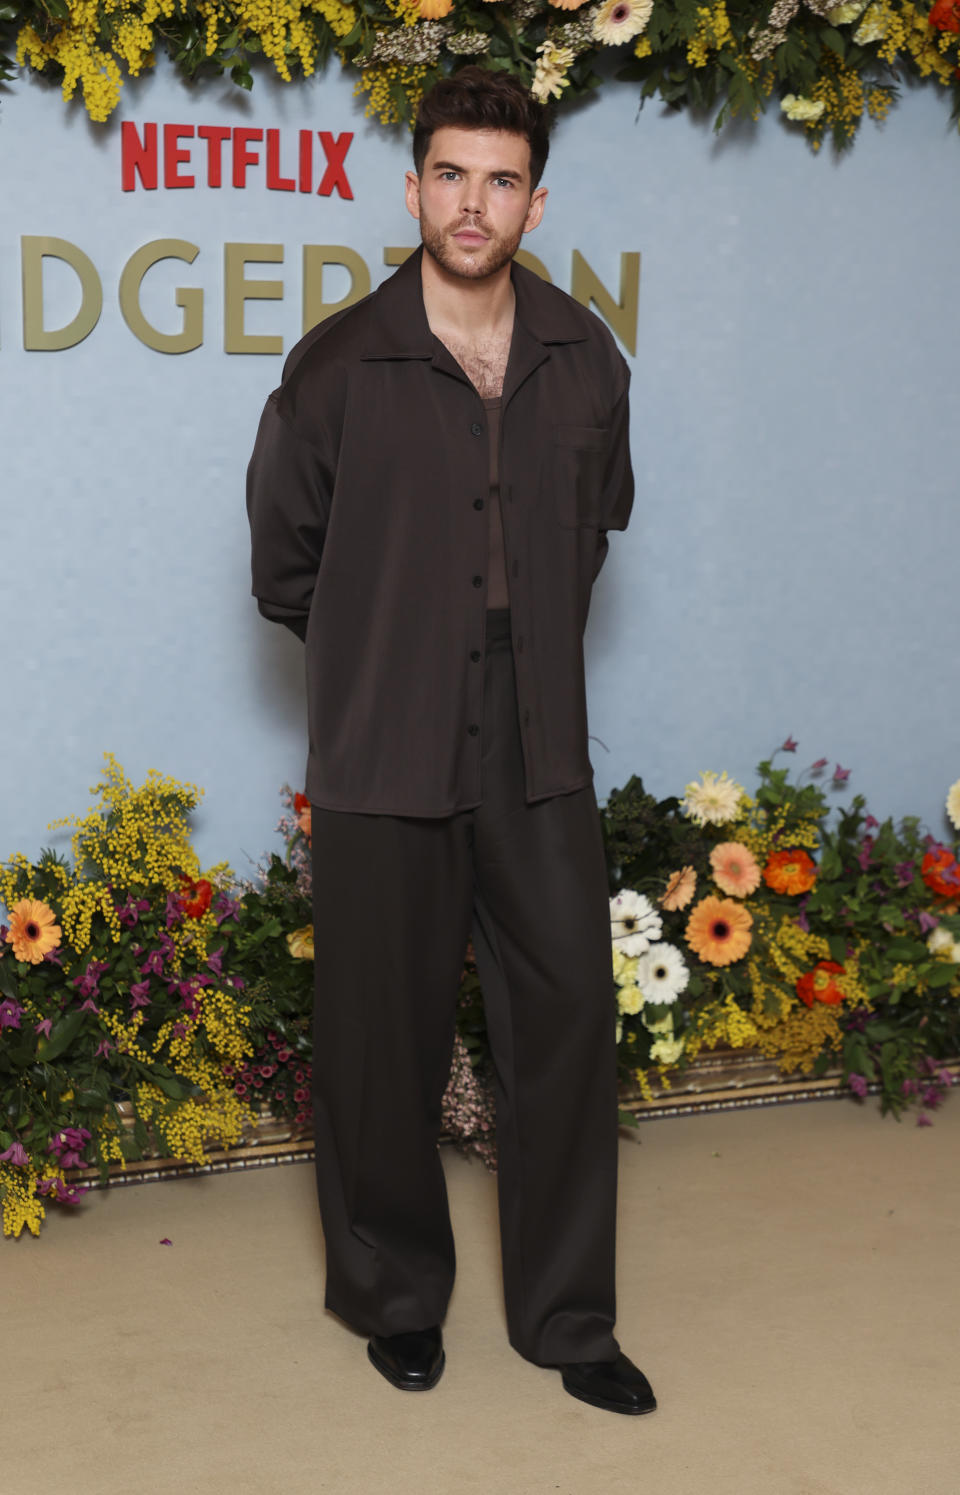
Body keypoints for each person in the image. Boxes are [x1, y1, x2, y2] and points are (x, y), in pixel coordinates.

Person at [246, 65, 655, 1416]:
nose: (471, 203)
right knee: (380, 1035)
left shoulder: (584, 356)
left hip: (540, 732)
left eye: (499, 180)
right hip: (382, 733)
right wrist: (387, 656)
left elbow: (593, 529)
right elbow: (286, 568)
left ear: (536, 203)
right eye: (448, 174)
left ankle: (567, 1318)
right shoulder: (336, 369)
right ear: (411, 186)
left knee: (565, 1026)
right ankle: (393, 1296)